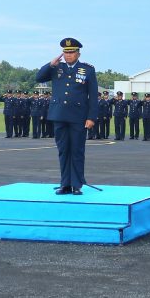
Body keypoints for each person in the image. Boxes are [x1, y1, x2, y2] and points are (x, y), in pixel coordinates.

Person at [36, 38, 97, 195]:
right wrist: (50, 64)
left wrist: (91, 118)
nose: (68, 55)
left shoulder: (87, 70)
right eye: (66, 52)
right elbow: (39, 77)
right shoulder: (57, 68)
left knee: (77, 150)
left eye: (71, 52)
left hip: (78, 116)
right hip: (59, 115)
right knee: (63, 150)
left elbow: (93, 96)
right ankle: (65, 184)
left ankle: (76, 184)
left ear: (78, 53)